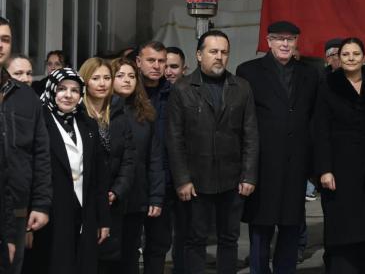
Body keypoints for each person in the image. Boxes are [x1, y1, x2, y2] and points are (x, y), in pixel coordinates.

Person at [166, 30, 258, 274]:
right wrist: (182, 179)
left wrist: (249, 175)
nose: (219, 56)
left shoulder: (242, 87)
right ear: (199, 55)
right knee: (195, 239)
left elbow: (251, 135)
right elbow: (174, 139)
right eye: (213, 51)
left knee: (229, 238)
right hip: (195, 180)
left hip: (232, 179)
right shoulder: (182, 89)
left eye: (224, 52)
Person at [238, 21, 321, 274]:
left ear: (296, 42)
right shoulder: (249, 71)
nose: (285, 44)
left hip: (296, 163)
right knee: (260, 227)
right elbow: (243, 120)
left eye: (290, 39)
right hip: (263, 163)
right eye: (279, 38)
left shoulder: (310, 74)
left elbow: (313, 119)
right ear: (268, 41)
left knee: (291, 225)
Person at [25, 67, 111, 274]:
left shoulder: (88, 124)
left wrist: (103, 219)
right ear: (51, 90)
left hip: (85, 214)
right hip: (50, 215)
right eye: (62, 89)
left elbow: (99, 177)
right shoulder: (38, 122)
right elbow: (28, 174)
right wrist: (25, 224)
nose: (68, 95)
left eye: (74, 90)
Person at [314, 38, 365, 273]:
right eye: (346, 54)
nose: (351, 58)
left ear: (364, 57)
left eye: (356, 54)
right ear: (339, 58)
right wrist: (325, 169)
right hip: (339, 167)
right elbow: (320, 129)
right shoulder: (328, 84)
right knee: (342, 229)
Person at [0, 19, 51, 274]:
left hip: (16, 207)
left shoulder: (26, 96)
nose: (0, 45)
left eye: (5, 39)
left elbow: (40, 153)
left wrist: (41, 203)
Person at [78, 57, 136, 273]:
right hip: (83, 197)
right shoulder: (77, 113)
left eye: (107, 78)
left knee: (109, 259)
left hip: (113, 198)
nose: (102, 83)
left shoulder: (119, 113)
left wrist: (117, 191)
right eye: (95, 78)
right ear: (85, 81)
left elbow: (129, 158)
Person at [110, 57, 165, 274]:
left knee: (130, 254)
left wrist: (156, 197)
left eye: (132, 76)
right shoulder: (100, 112)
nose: (127, 80)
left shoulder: (145, 114)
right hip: (109, 196)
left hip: (136, 196)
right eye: (120, 75)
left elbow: (155, 158)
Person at [135, 40, 178, 274]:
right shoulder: (128, 91)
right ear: (138, 62)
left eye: (161, 61)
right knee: (128, 244)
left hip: (164, 180)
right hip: (133, 180)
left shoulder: (174, 94)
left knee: (159, 243)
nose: (156, 66)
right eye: (151, 60)